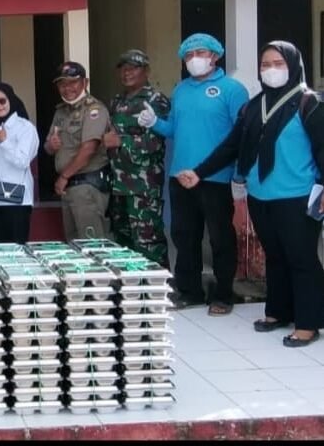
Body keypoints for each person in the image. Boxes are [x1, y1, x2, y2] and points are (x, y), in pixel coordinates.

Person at [178, 41, 324, 346]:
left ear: (294, 65)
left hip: (297, 195)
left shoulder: (309, 103)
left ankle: (308, 322)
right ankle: (278, 311)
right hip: (261, 194)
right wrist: (200, 172)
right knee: (275, 255)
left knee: (301, 258)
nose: (270, 70)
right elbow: (232, 146)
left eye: (277, 63)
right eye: (265, 64)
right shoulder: (254, 106)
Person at [137, 33, 250, 314]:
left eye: (199, 53)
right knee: (184, 236)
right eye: (188, 56)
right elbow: (173, 129)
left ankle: (223, 294)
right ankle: (190, 291)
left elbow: (243, 135)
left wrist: (238, 176)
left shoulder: (232, 89)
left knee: (220, 237)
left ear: (214, 55)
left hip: (217, 177)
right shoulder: (181, 90)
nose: (194, 60)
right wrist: (154, 123)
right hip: (181, 176)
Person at [103, 50, 172, 266]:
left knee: (148, 242)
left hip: (143, 186)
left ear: (146, 71)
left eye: (133, 68)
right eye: (123, 69)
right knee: (123, 243)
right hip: (118, 185)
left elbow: (155, 143)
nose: (127, 73)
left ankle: (160, 291)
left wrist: (122, 142)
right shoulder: (116, 101)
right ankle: (132, 292)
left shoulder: (155, 100)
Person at [43, 61, 113, 241]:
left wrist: (64, 176)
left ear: (85, 82)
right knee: (74, 244)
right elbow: (48, 148)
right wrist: (51, 145)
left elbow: (89, 149)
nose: (67, 88)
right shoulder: (61, 112)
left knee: (92, 244)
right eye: (62, 84)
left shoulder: (94, 110)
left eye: (72, 82)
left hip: (87, 187)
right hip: (70, 188)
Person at [0, 83, 39, 244]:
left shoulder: (25, 128)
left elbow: (23, 161)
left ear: (11, 100)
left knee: (17, 252)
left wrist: (5, 142)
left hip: (15, 200)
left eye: (2, 101)